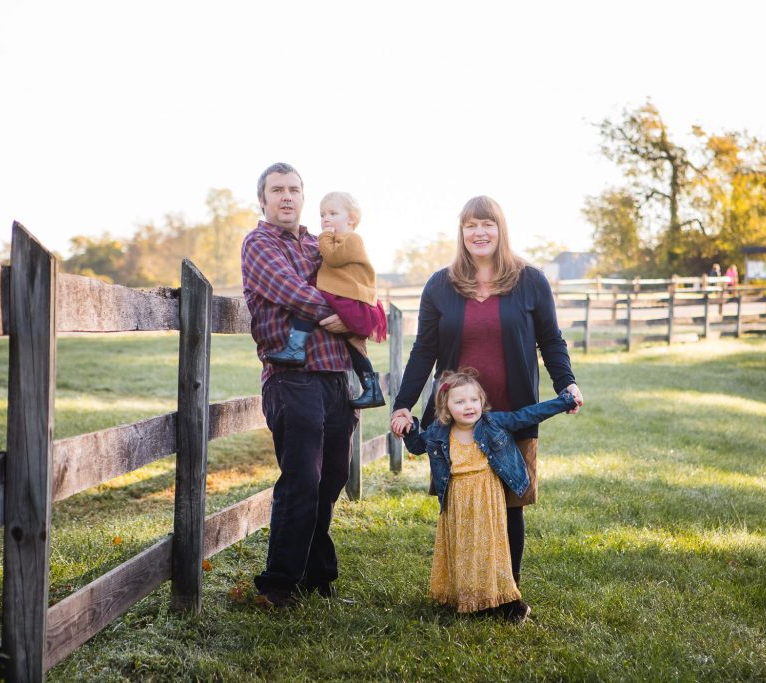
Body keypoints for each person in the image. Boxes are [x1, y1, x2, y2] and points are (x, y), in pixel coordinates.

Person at [389, 195, 585, 605]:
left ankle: (507, 593)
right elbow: (423, 351)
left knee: (510, 503)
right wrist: (403, 404)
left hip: (512, 410)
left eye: (487, 224)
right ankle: (465, 586)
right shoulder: (440, 286)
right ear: (461, 232)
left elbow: (551, 340)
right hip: (457, 418)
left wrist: (566, 384)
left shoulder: (530, 280)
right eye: (471, 225)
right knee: (462, 503)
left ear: (501, 229)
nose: (480, 232)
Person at [240, 162, 358, 607]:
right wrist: (348, 313)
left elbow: (354, 279)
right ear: (263, 199)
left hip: (334, 376)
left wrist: (355, 306)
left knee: (331, 479)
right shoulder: (258, 243)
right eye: (277, 190)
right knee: (303, 480)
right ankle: (278, 583)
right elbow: (288, 290)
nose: (286, 197)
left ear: (303, 196)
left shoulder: (319, 244)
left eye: (293, 189)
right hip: (291, 378)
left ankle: (316, 576)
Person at [400, 368, 577, 622]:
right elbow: (417, 445)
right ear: (446, 408)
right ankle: (468, 597)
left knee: (490, 549)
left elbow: (527, 415)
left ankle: (500, 597)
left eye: (474, 400)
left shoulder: (493, 423)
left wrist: (564, 401)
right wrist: (409, 427)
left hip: (487, 500)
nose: (469, 406)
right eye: (459, 402)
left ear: (482, 402)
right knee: (463, 548)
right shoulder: (439, 432)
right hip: (458, 504)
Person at [265, 191, 387, 408]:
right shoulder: (338, 239)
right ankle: (371, 387)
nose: (326, 219)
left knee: (307, 304)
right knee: (351, 345)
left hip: (348, 295)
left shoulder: (352, 239)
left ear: (351, 219)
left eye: (333, 213)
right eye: (322, 215)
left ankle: (295, 348)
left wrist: (324, 237)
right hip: (340, 292)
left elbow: (332, 257)